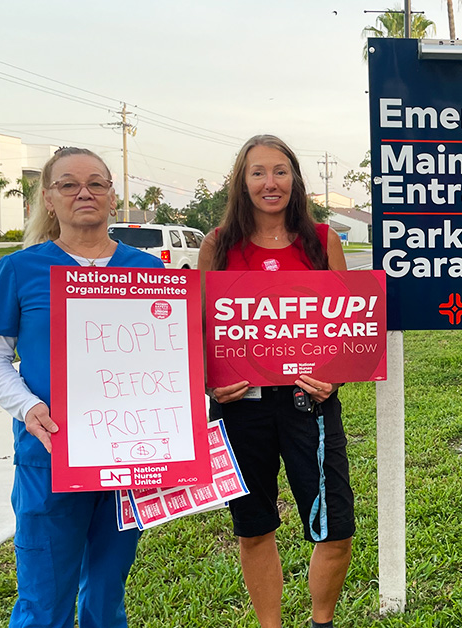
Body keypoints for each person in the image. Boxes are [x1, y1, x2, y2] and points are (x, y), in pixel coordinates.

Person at [0, 147, 163, 627]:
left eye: (97, 183)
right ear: (49, 199)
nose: (85, 192)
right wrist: (27, 406)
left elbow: (170, 359)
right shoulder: (21, 270)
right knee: (44, 599)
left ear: (113, 197)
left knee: (105, 594)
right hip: (51, 451)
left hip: (127, 456)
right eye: (69, 184)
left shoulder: (149, 272)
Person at [198, 134, 351, 628]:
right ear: (241, 182)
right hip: (241, 406)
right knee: (254, 527)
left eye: (281, 171)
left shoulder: (322, 240)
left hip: (310, 404)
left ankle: (320, 621)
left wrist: (333, 377)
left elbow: (346, 325)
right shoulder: (217, 245)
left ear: (296, 179)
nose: (271, 182)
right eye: (258, 172)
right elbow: (200, 332)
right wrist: (211, 385)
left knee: (335, 530)